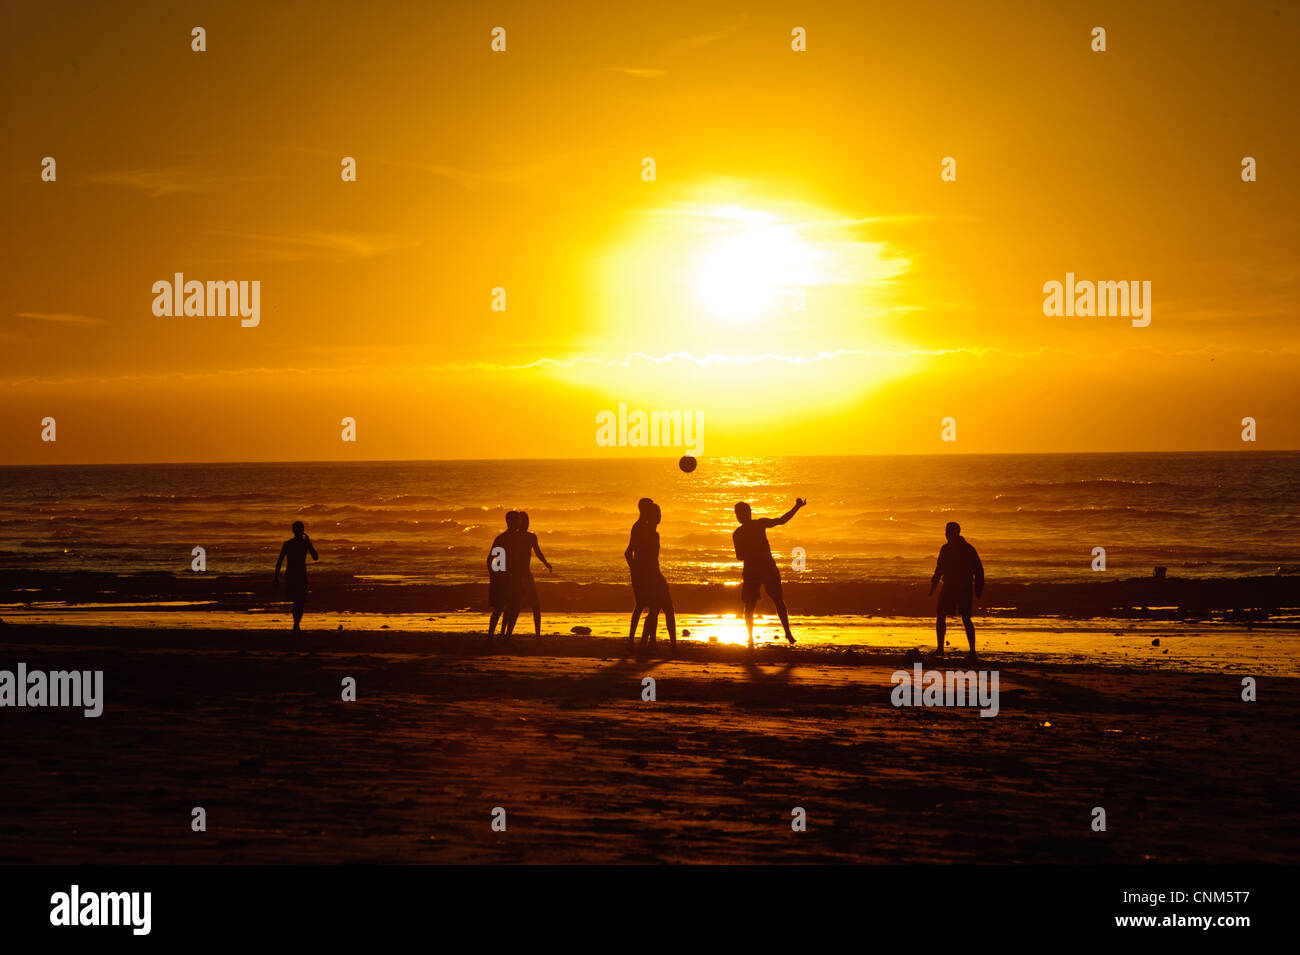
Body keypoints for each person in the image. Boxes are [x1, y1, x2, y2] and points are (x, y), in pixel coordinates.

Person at [732, 498, 806, 649]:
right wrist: (797, 506)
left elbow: (740, 556)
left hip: (756, 569)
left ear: (745, 514)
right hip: (763, 568)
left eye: (739, 513)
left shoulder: (739, 533)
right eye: (737, 513)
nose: (738, 516)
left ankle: (753, 638)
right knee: (773, 602)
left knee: (753, 606)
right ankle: (785, 634)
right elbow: (781, 520)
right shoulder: (757, 525)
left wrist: (797, 506)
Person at [625, 498, 676, 652]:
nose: (660, 516)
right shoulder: (640, 528)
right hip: (648, 576)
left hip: (654, 574)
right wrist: (636, 572)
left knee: (655, 607)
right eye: (656, 513)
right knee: (650, 607)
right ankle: (643, 641)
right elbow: (630, 553)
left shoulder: (652, 532)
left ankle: (648, 641)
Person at [928, 521, 985, 659]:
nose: (946, 534)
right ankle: (941, 648)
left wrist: (978, 587)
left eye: (948, 532)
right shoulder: (949, 549)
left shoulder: (967, 549)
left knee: (964, 617)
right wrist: (934, 585)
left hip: (961, 587)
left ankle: (971, 651)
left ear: (955, 533)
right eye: (946, 532)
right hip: (953, 586)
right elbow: (939, 569)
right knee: (942, 615)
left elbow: (978, 570)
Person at [504, 511, 551, 639]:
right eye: (524, 521)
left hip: (526, 574)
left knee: (535, 606)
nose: (527, 524)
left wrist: (546, 563)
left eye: (528, 521)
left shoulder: (531, 537)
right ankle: (506, 635)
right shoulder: (513, 537)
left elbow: (538, 552)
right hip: (516, 576)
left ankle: (537, 636)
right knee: (514, 606)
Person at [274, 521, 319, 632]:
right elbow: (315, 557)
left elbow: (279, 561)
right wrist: (275, 577)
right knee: (299, 601)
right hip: (297, 574)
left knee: (298, 601)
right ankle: (296, 624)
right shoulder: (297, 544)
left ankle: (296, 624)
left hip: (294, 574)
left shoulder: (291, 544)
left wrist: (276, 577)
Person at [487, 511, 520, 637]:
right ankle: (491, 635)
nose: (519, 522)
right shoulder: (502, 539)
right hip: (504, 579)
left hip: (514, 578)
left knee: (513, 607)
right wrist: (497, 577)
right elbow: (492, 559)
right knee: (500, 608)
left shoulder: (518, 538)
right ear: (510, 522)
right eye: (517, 519)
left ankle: (506, 635)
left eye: (519, 520)